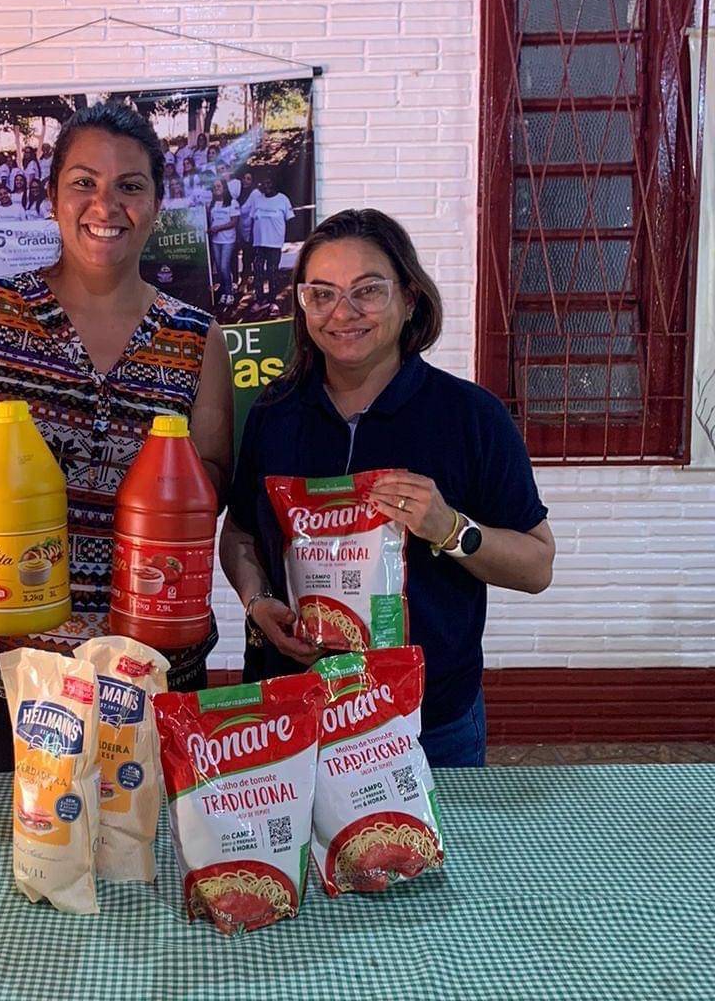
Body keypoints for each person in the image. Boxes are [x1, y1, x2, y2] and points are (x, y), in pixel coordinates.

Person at [0, 103, 234, 772]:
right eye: (84, 182)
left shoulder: (197, 338)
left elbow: (214, 479)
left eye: (130, 186)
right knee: (12, 829)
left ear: (156, 203)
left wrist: (165, 485)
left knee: (142, 829)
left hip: (149, 656)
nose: (105, 205)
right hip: (2, 659)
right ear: (53, 195)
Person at [219, 208, 554, 768]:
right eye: (321, 294)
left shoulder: (470, 416)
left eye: (368, 291)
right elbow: (240, 533)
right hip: (294, 710)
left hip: (428, 723)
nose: (343, 312)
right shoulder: (275, 412)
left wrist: (451, 529)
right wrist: (257, 602)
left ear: (410, 298)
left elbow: (537, 566)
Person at [249, 179, 294, 313]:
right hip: (259, 243)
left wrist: (284, 240)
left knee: (272, 272)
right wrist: (250, 239)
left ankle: (273, 301)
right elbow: (252, 220)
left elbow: (290, 220)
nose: (266, 186)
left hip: (274, 243)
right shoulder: (257, 200)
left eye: (269, 183)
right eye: (264, 184)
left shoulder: (283, 199)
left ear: (275, 184)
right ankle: (259, 300)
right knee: (258, 271)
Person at [207, 179, 240, 307]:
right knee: (219, 268)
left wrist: (218, 228)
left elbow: (234, 222)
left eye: (219, 186)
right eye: (214, 187)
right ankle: (223, 292)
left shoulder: (233, 202)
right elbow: (211, 221)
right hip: (216, 240)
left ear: (224, 188)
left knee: (224, 266)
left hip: (228, 240)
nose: (216, 188)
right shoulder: (212, 204)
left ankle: (229, 293)